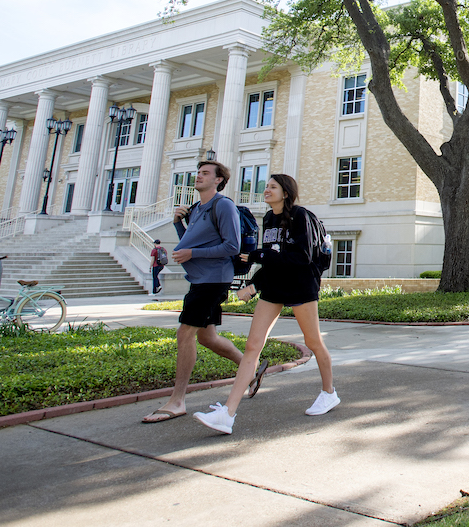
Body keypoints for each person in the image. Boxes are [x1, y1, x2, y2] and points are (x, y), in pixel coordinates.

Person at [194, 173, 339, 434]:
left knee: (313, 342)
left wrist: (261, 255)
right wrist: (255, 284)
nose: (266, 190)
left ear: (286, 192)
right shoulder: (269, 218)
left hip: (300, 287)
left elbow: (302, 257)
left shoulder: (300, 216)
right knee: (252, 346)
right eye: (266, 187)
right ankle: (227, 414)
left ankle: (329, 393)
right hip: (274, 288)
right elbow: (272, 258)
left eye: (272, 187)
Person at [142, 160, 246, 424]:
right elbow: (190, 242)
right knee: (207, 338)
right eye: (198, 173)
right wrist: (179, 224)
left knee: (184, 332)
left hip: (214, 280)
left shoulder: (223, 206)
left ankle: (177, 401)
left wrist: (193, 253)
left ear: (219, 180)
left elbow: (232, 246)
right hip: (200, 279)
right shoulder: (197, 209)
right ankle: (251, 368)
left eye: (205, 173)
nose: (198, 176)